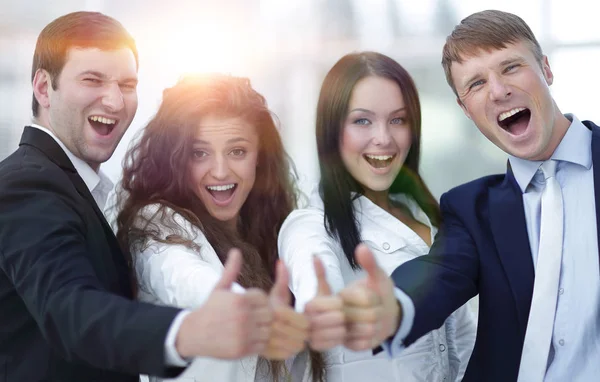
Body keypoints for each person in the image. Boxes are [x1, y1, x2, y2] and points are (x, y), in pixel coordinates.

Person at [0, 12, 276, 382]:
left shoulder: (81, 188)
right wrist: (187, 331)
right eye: (92, 80)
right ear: (43, 88)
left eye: (127, 84)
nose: (114, 101)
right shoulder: (27, 185)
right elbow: (71, 310)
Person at [337, 10, 600, 382]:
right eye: (476, 84)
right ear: (465, 109)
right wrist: (390, 307)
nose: (498, 91)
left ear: (546, 68)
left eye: (510, 67)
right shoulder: (471, 210)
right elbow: (439, 273)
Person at [114, 74, 329, 381]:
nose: (219, 171)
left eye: (237, 151)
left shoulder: (274, 229)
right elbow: (180, 276)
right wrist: (241, 307)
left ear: (260, 158)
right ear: (173, 160)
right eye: (199, 153)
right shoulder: (158, 223)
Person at [278, 51, 476, 381]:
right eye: (362, 121)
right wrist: (324, 309)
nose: (383, 138)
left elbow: (463, 340)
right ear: (332, 130)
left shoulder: (430, 218)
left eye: (398, 120)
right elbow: (314, 280)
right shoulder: (311, 224)